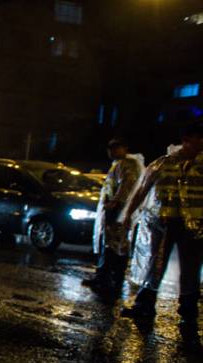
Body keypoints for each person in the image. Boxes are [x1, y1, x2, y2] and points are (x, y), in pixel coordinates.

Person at [120, 122, 203, 340]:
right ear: (186, 140)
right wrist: (128, 214)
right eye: (198, 139)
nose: (201, 143)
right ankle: (144, 304)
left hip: (194, 227)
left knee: (191, 270)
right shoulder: (163, 164)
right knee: (154, 264)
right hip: (163, 224)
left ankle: (188, 312)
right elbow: (142, 190)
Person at [83, 138, 142, 295]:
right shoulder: (117, 164)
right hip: (113, 211)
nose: (112, 151)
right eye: (110, 148)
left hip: (119, 212)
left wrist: (114, 203)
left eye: (117, 148)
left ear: (125, 148)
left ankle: (112, 283)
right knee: (108, 245)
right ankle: (102, 278)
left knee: (115, 247)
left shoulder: (128, 164)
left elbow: (126, 186)